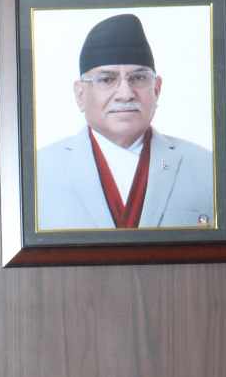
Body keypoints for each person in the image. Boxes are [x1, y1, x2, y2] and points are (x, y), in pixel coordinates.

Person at [35, 12, 215, 231]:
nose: (125, 94)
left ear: (156, 89)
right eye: (107, 79)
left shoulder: (207, 167)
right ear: (80, 94)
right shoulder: (39, 172)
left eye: (138, 78)